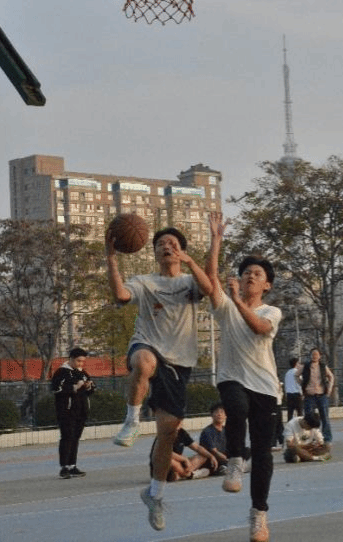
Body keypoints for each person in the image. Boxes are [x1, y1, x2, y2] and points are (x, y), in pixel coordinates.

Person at [105, 226, 214, 531]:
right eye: (161, 243)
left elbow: (209, 289)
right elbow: (120, 295)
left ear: (181, 250)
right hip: (147, 345)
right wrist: (111, 258)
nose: (166, 246)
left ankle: (155, 495)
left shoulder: (189, 282)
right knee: (143, 362)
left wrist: (192, 262)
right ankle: (132, 420)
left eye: (172, 243)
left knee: (168, 433)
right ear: (153, 252)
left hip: (179, 363)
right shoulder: (145, 282)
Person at [206, 212, 282, 542]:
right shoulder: (226, 305)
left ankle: (259, 515)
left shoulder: (271, 311)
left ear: (267, 285)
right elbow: (210, 279)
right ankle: (235, 459)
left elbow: (259, 327)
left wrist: (237, 300)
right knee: (235, 407)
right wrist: (216, 240)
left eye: (257, 273)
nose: (250, 275)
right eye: (246, 272)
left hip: (265, 386)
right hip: (232, 377)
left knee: (263, 454)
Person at [51, 347, 95, 479]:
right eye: (78, 361)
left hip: (81, 410)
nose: (80, 364)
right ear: (71, 359)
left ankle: (72, 465)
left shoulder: (82, 373)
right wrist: (74, 387)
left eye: (82, 361)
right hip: (66, 410)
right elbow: (56, 389)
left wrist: (88, 386)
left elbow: (91, 390)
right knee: (67, 437)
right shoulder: (61, 372)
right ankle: (64, 467)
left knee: (75, 437)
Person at [149, 425, 217, 481]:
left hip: (179, 465)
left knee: (203, 456)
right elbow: (167, 453)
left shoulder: (182, 432)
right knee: (169, 460)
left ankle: (180, 474)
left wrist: (211, 456)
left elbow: (197, 447)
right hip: (163, 468)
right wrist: (184, 459)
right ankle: (189, 475)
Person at [298, 348, 335, 447]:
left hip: (321, 395)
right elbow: (296, 375)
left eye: (316, 354)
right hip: (309, 395)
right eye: (313, 354)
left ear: (320, 356)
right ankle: (310, 438)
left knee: (325, 417)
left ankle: (327, 438)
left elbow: (331, 376)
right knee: (309, 417)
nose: (314, 356)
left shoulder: (323, 367)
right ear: (310, 356)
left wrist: (329, 389)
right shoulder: (305, 366)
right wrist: (302, 384)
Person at [199, 403, 230, 475]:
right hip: (213, 459)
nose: (219, 414)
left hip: (226, 457)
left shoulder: (227, 430)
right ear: (212, 415)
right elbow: (214, 451)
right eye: (216, 412)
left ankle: (227, 467)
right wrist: (228, 460)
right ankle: (224, 468)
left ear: (226, 416)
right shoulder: (207, 431)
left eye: (222, 412)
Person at [283, 357, 304, 422]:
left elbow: (286, 384)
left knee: (290, 413)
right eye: (299, 363)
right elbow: (299, 384)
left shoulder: (287, 373)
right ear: (296, 364)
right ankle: (300, 425)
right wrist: (302, 393)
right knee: (300, 412)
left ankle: (289, 425)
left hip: (289, 394)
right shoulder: (298, 373)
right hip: (297, 394)